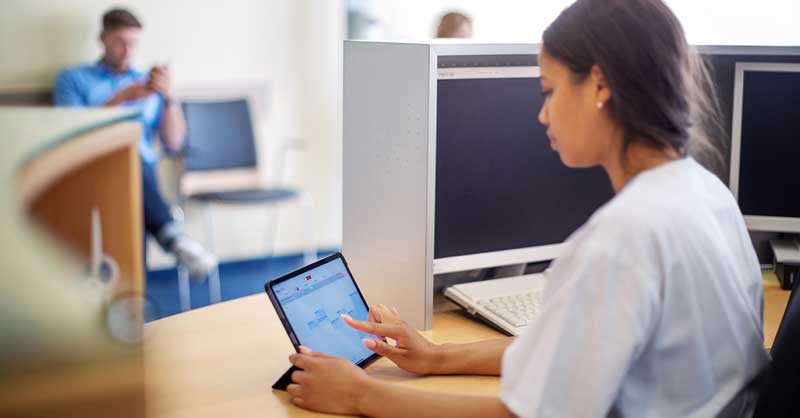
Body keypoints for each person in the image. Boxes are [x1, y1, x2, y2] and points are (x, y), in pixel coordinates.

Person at [284, 0, 769, 417]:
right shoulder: (707, 194)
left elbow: (522, 413)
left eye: (549, 91)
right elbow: (568, 354)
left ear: (599, 85)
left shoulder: (622, 239)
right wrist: (436, 358)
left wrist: (362, 395)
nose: (542, 114)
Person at [53, 8, 216, 278]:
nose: (128, 51)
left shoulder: (147, 84)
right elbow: (72, 134)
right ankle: (173, 237)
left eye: (134, 43)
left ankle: (136, 298)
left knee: (131, 176)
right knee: (125, 157)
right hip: (88, 170)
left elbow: (174, 143)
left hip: (140, 176)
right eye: (120, 42)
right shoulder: (73, 79)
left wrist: (169, 99)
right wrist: (123, 98)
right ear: (103, 38)